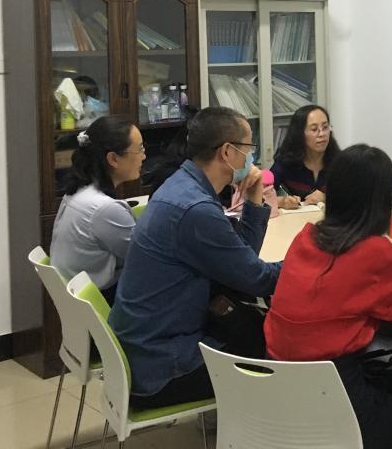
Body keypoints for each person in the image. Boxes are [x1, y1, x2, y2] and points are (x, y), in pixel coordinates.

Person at [266, 144, 392, 449]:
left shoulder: (305, 238)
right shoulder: (373, 253)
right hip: (339, 410)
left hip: (280, 403)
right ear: (380, 200)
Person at [109, 106, 282, 409]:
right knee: (278, 350)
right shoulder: (195, 210)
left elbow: (241, 263)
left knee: (251, 328)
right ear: (227, 152)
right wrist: (311, 262)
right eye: (248, 148)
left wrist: (254, 201)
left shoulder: (181, 186)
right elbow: (257, 279)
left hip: (146, 347)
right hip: (161, 366)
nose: (251, 158)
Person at [50, 115, 142, 304]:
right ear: (113, 158)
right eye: (139, 149)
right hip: (106, 299)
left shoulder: (78, 191)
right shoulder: (104, 209)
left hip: (81, 298)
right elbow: (144, 256)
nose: (144, 156)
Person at [270, 104, 341, 205]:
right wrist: (282, 201)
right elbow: (261, 196)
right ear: (299, 134)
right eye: (314, 129)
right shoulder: (285, 162)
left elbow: (355, 197)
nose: (322, 134)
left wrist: (327, 198)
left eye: (325, 127)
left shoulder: (340, 162)